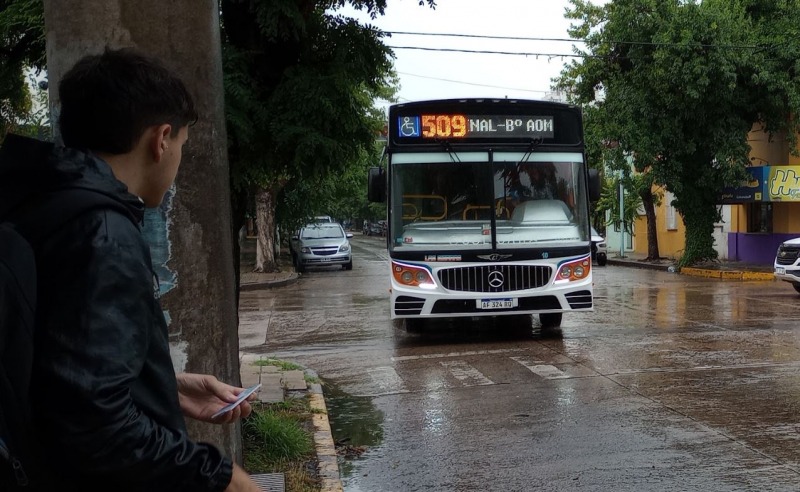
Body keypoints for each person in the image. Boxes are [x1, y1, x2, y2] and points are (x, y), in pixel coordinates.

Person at [0, 49, 262, 491]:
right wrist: (224, 478)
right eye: (181, 144)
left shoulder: (40, 205)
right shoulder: (103, 233)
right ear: (161, 140)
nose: (177, 159)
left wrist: (161, 385)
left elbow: (56, 369)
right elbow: (94, 427)